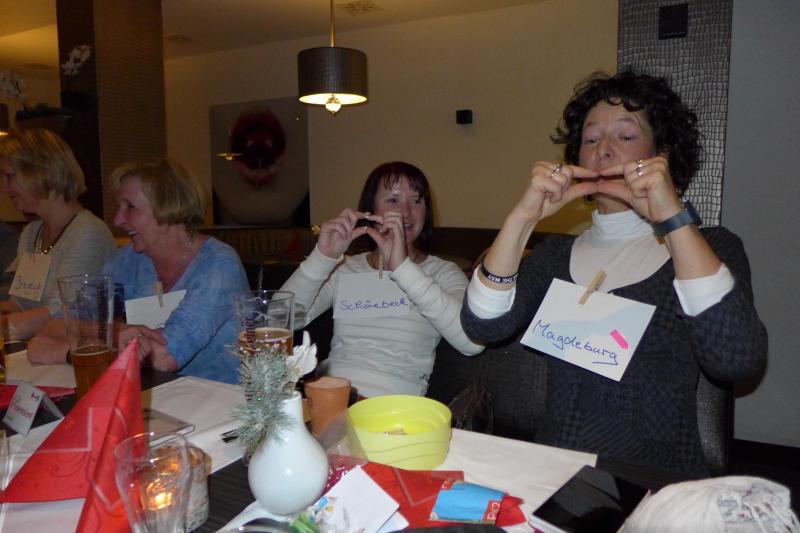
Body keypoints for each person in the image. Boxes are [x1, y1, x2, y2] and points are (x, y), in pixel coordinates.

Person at [461, 70, 767, 475]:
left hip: (657, 482)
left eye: (625, 136)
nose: (603, 150)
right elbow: (484, 324)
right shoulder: (555, 256)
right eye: (591, 139)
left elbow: (736, 359)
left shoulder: (710, 248)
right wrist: (522, 218)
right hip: (557, 474)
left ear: (662, 156)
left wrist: (671, 217)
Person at [28, 157, 249, 384]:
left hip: (222, 398)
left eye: (130, 207)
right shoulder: (129, 260)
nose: (117, 220)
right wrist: (116, 330)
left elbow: (162, 357)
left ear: (169, 208)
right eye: (119, 207)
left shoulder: (219, 265)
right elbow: (55, 326)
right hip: (155, 391)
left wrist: (66, 351)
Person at [282, 161, 483, 397]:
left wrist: (402, 268)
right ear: (371, 210)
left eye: (416, 201)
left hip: (394, 406)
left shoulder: (444, 273)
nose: (406, 212)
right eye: (393, 200)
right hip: (330, 398)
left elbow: (472, 342)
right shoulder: (345, 267)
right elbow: (281, 321)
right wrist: (322, 256)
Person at [0, 128, 115, 340]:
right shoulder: (31, 233)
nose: (4, 189)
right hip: (39, 348)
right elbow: (21, 303)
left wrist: (5, 328)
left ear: (39, 172)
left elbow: (62, 312)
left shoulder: (88, 232)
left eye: (9, 176)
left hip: (74, 351)